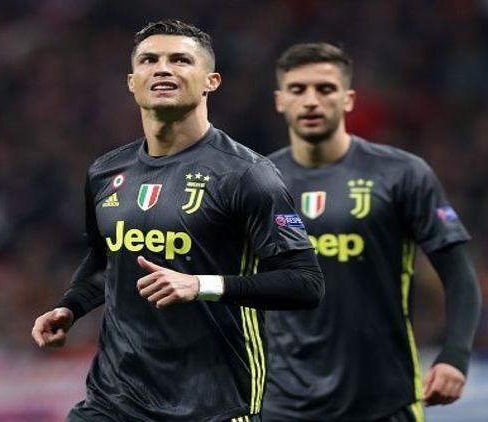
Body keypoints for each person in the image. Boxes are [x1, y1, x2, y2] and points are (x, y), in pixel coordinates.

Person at [31, 20, 325, 422]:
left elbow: (305, 282)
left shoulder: (246, 174)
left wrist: (201, 285)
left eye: (180, 60)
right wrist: (71, 306)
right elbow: (106, 261)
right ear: (132, 82)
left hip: (214, 404)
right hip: (113, 400)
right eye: (149, 60)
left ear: (211, 82)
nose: (163, 69)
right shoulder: (106, 172)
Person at [262, 43, 482, 422]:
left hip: (385, 399)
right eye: (298, 89)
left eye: (325, 89)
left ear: (348, 99)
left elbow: (459, 273)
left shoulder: (401, 174)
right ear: (280, 101)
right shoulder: (258, 183)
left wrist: (455, 356)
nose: (311, 101)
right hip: (282, 404)